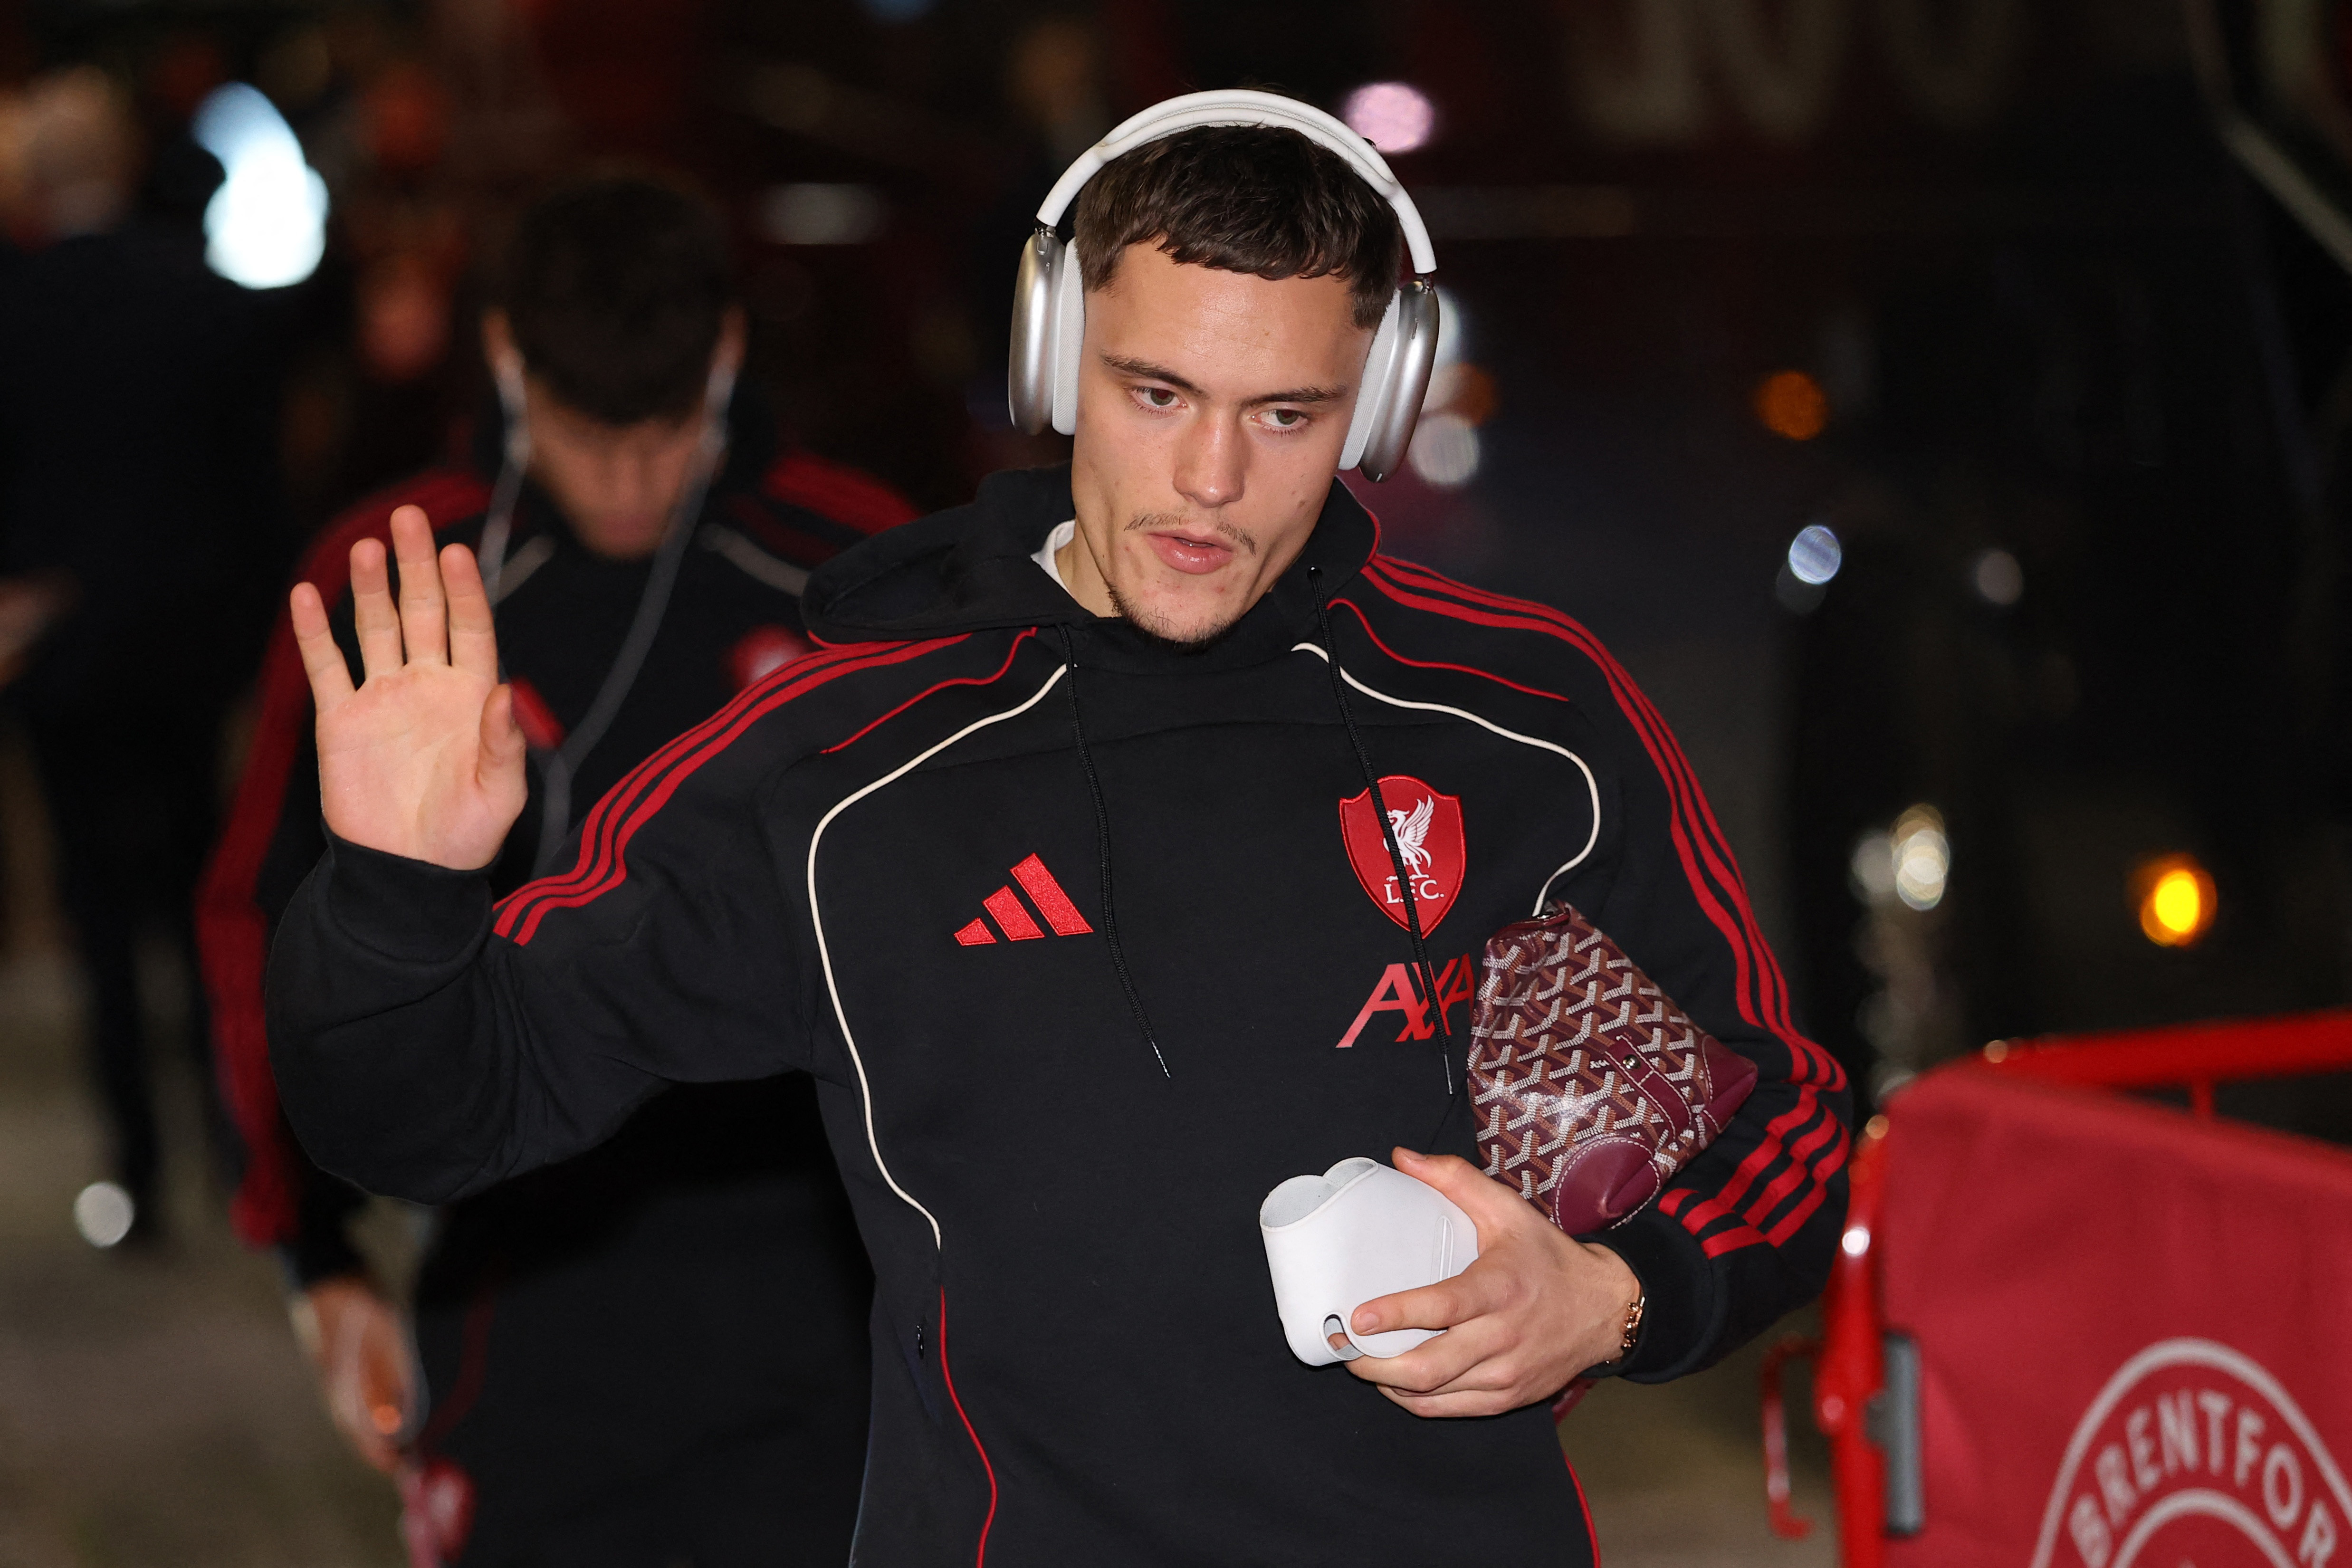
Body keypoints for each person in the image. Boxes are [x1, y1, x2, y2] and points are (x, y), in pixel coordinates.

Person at [268, 101, 1849, 1565]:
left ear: (1377, 397)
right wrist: (401, 894)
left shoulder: (1519, 730)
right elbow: (438, 1115)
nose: (1210, 479)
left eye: (1286, 413)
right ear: (1049, 357)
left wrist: (1617, 1293)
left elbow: (1775, 1126)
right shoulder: (848, 772)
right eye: (1154, 392)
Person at [199, 176, 899, 1567]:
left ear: (726, 358)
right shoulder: (392, 579)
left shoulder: (864, 574)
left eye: (664, 432)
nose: (633, 483)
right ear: (512, 361)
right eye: (592, 436)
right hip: (521, 1265)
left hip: (828, 1268)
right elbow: (260, 926)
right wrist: (315, 1253)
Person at [0, 66, 282, 1245]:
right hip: (185, 651)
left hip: (62, 655)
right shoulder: (207, 303)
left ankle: (135, 1175)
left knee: (99, 909)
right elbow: (256, 497)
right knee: (204, 896)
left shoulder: (13, 311)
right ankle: (238, 1152)